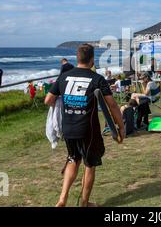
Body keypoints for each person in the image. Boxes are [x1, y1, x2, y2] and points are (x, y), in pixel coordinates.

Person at [45, 43, 124, 207]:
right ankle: (84, 203)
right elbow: (112, 105)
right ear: (92, 60)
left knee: (73, 160)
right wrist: (120, 126)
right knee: (90, 165)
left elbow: (48, 100)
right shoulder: (97, 79)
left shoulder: (63, 77)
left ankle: (62, 199)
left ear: (77, 58)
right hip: (88, 130)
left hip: (68, 128)